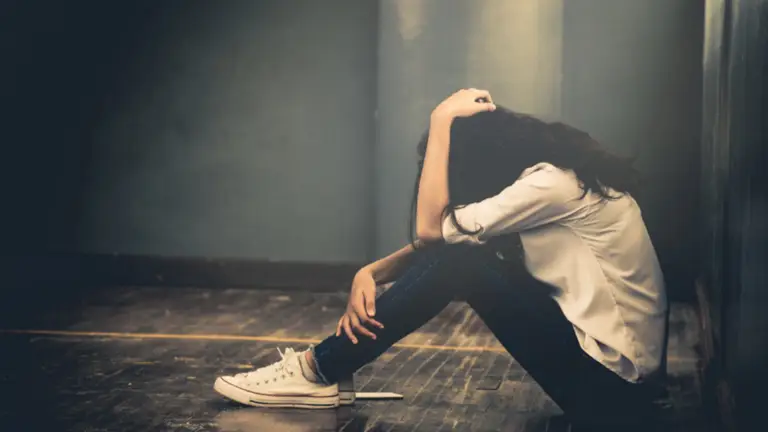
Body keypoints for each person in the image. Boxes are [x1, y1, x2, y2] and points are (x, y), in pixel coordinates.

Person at [213, 89, 669, 430]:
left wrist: (440, 120)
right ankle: (326, 368)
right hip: (619, 387)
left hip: (613, 393)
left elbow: (434, 231)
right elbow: (452, 240)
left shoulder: (551, 186)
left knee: (462, 264)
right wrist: (371, 271)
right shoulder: (556, 181)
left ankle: (317, 370)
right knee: (466, 256)